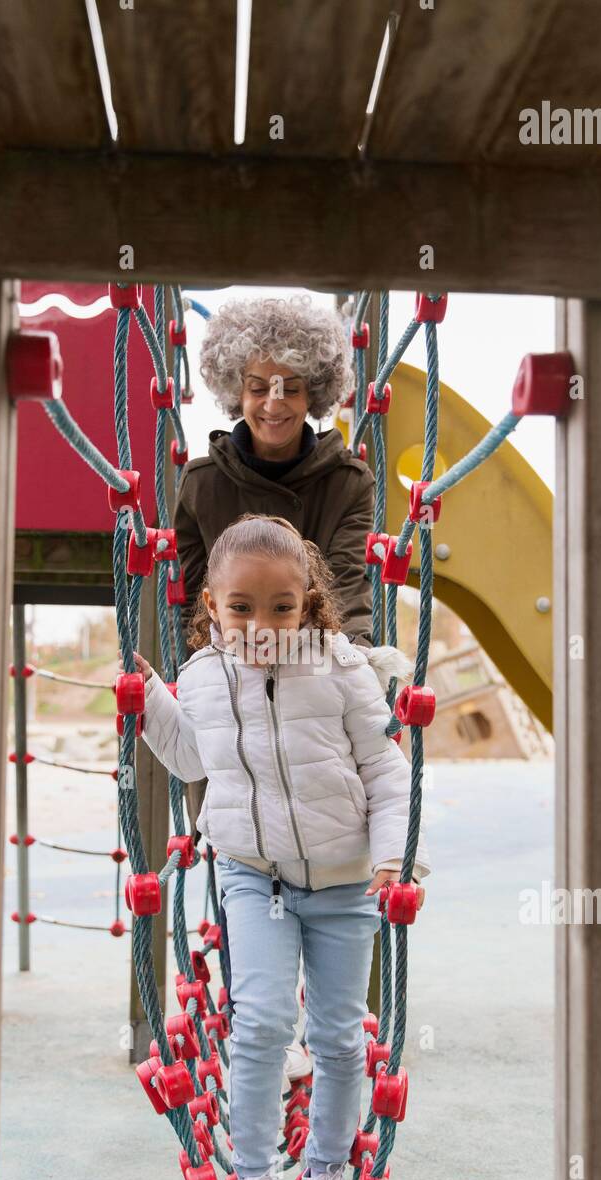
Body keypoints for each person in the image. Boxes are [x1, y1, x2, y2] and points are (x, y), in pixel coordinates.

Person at [132, 514, 430, 1180]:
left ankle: (328, 1170)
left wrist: (392, 859)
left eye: (280, 607)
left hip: (343, 882)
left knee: (336, 1037)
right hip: (251, 876)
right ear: (212, 606)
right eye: (241, 608)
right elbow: (193, 759)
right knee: (260, 1023)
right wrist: (148, 706)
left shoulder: (339, 670)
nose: (259, 625)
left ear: (309, 604)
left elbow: (390, 776)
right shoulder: (203, 677)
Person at [172, 293, 375, 844]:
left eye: (291, 386)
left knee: (330, 831)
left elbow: (346, 583)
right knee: (239, 843)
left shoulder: (347, 482)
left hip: (314, 679)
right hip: (231, 684)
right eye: (259, 386)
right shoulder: (201, 485)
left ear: (315, 392)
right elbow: (193, 601)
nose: (274, 403)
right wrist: (189, 690)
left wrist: (358, 674)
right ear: (236, 391)